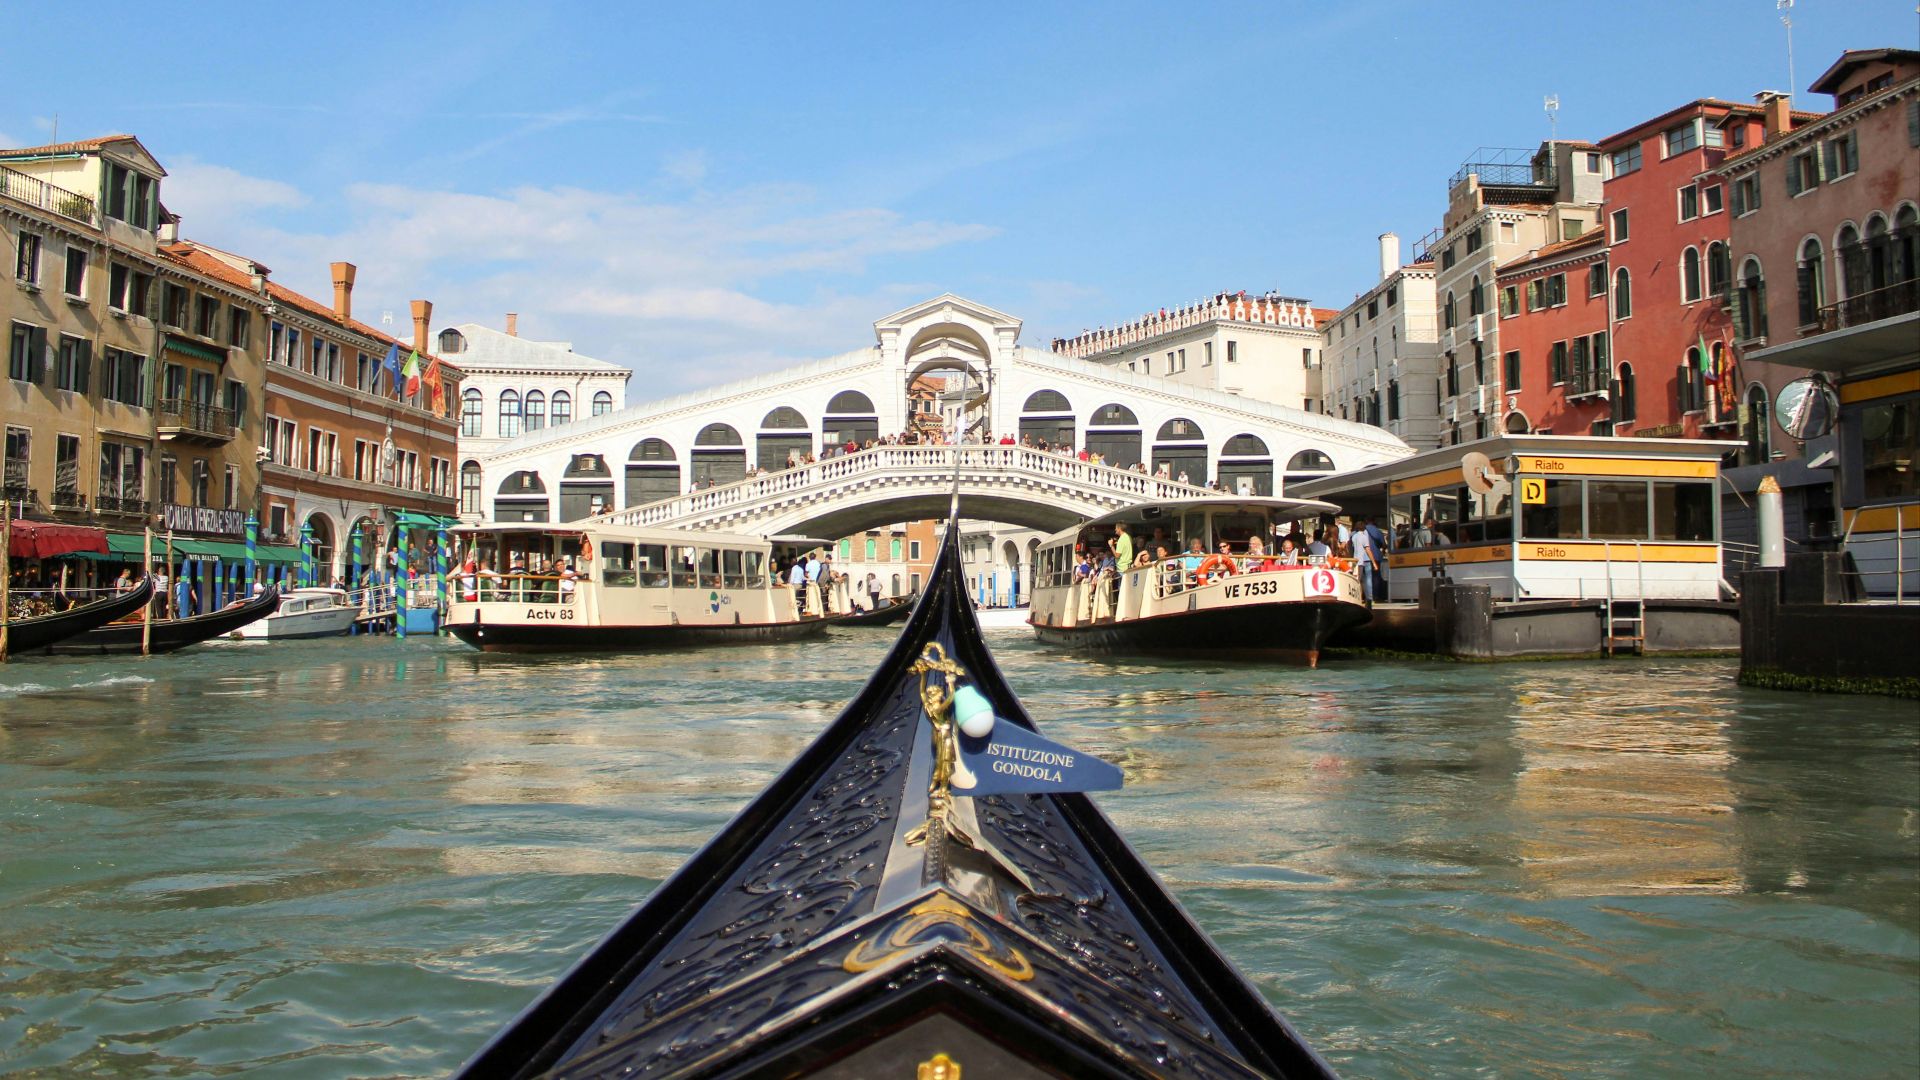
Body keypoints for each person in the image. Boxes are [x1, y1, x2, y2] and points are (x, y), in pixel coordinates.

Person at [1350, 516, 1379, 603]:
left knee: (1358, 580)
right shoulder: (1364, 536)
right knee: (1368, 580)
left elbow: (1352, 548)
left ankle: (1358, 597)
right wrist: (1374, 562)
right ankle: (1369, 598)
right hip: (1365, 560)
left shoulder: (1354, 536)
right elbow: (1368, 549)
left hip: (1356, 561)